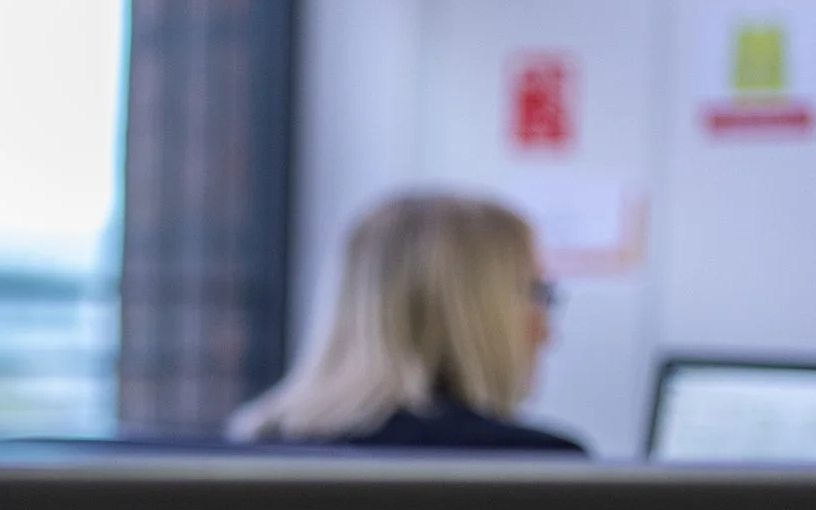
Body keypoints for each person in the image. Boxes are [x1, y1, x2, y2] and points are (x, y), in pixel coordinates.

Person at [228, 193, 586, 452]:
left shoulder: (249, 453)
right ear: (478, 314)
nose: (547, 334)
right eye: (537, 293)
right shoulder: (534, 469)